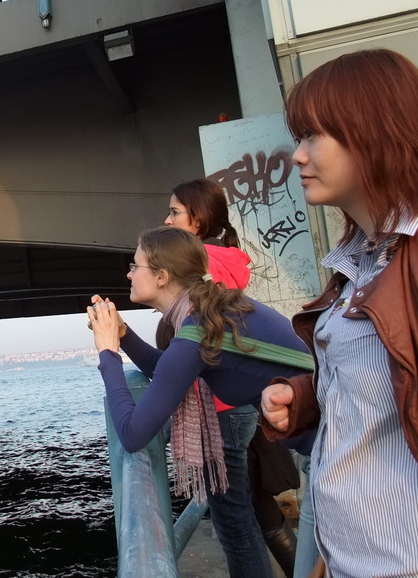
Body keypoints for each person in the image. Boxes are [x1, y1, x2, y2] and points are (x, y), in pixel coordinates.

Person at [259, 49, 418, 577]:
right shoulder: (360, 264)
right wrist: (306, 398)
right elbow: (405, 380)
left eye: (312, 136)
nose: (297, 156)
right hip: (356, 559)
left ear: (374, 132)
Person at [89, 226, 312, 578]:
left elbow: (133, 434)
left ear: (162, 277)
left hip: (336, 456)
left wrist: (107, 352)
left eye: (135, 266)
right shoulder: (210, 314)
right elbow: (167, 370)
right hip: (331, 445)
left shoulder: (194, 333)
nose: (128, 274)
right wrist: (124, 335)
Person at [166, 179, 301, 577]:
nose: (167, 218)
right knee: (247, 513)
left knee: (235, 525)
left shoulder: (200, 270)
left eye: (174, 212)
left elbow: (196, 342)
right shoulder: (226, 264)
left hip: (220, 408)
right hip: (238, 404)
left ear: (198, 220)